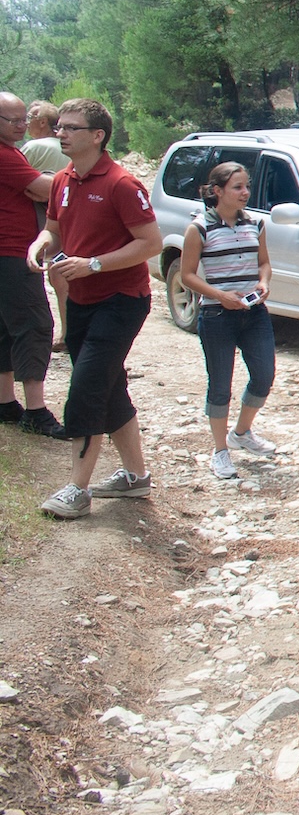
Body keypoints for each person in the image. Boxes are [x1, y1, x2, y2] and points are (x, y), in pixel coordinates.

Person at [28, 98, 163, 519]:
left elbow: (151, 243)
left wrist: (94, 264)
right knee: (109, 384)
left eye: (70, 128)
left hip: (122, 301)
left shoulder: (122, 184)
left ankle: (77, 489)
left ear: (97, 135)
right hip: (82, 300)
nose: (60, 133)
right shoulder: (63, 179)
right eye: (59, 127)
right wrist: (38, 247)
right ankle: (135, 478)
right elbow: (52, 230)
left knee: (86, 385)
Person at [180, 160, 277, 481]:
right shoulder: (199, 228)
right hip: (216, 315)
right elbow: (187, 275)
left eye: (247, 186)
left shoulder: (256, 224)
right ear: (218, 191)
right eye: (238, 187)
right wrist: (220, 295)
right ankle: (220, 451)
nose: (245, 192)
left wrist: (264, 283)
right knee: (220, 385)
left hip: (254, 313)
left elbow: (264, 263)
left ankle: (242, 432)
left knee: (264, 375)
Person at [0, 94, 56, 435]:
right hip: (11, 252)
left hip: (8, 251)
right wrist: (74, 178)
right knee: (35, 326)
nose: (23, 125)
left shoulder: (11, 151)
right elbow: (42, 188)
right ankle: (36, 411)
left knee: (6, 328)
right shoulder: (6, 156)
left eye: (24, 119)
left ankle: (6, 402)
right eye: (14, 121)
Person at [21, 100, 68, 352]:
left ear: (42, 121)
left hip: (41, 222)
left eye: (29, 117)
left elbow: (23, 185)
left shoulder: (34, 147)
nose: (25, 123)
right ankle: (69, 331)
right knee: (62, 273)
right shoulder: (71, 147)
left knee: (40, 274)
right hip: (71, 220)